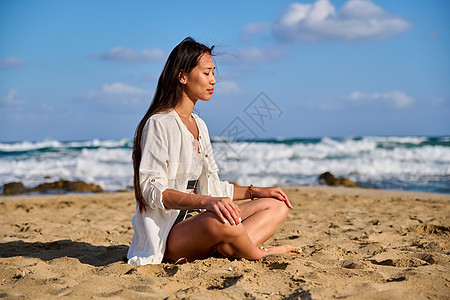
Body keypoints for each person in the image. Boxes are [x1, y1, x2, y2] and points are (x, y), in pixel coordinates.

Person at [127, 37, 301, 266]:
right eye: (207, 73)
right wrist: (208, 202)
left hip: (201, 223)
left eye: (213, 73)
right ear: (182, 76)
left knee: (276, 205)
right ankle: (261, 252)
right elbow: (151, 189)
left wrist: (257, 191)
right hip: (170, 235)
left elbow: (213, 188)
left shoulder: (200, 125)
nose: (213, 80)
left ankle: (230, 246)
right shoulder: (159, 123)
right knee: (223, 221)